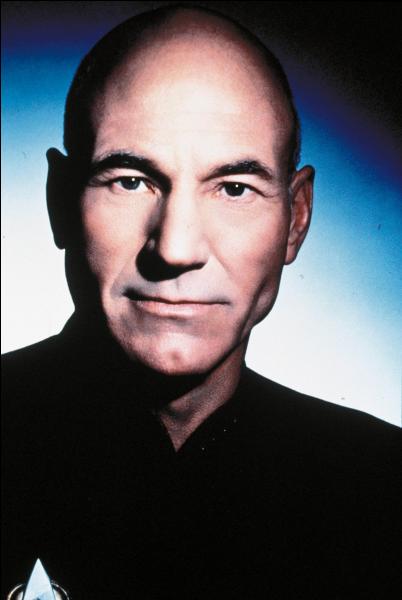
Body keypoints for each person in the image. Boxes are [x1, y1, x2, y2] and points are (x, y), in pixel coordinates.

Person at [2, 5, 400, 599]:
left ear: (296, 219)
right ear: (61, 201)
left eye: (234, 188)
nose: (177, 248)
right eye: (130, 180)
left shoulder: (384, 488)